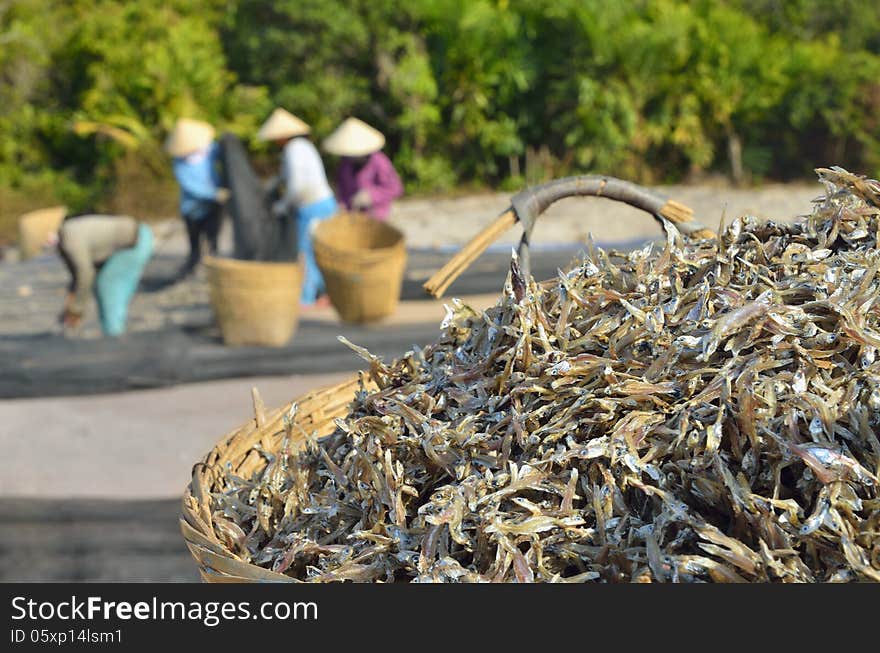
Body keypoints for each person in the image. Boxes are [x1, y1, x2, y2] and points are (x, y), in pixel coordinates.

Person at [257, 107, 338, 307]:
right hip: (324, 203)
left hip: (312, 207)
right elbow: (285, 177)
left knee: (306, 251)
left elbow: (295, 186)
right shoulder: (303, 147)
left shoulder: (294, 150)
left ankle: (307, 298)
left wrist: (283, 206)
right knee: (323, 250)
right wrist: (271, 185)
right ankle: (324, 293)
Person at [55, 213, 154, 337]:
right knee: (104, 286)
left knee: (108, 285)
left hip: (135, 242)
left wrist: (76, 309)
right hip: (136, 236)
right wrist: (72, 305)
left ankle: (114, 335)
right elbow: (77, 276)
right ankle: (111, 332)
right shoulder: (66, 232)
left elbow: (85, 275)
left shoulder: (69, 240)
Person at [165, 118, 228, 280]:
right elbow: (191, 187)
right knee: (195, 244)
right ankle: (192, 269)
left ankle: (214, 271)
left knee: (213, 239)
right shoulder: (179, 164)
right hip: (192, 209)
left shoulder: (208, 151)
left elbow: (223, 152)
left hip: (213, 207)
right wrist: (215, 194)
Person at [322, 117, 403, 221]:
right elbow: (341, 187)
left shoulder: (379, 162)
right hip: (352, 217)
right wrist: (342, 203)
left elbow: (396, 188)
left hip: (377, 217)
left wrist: (371, 195)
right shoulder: (345, 162)